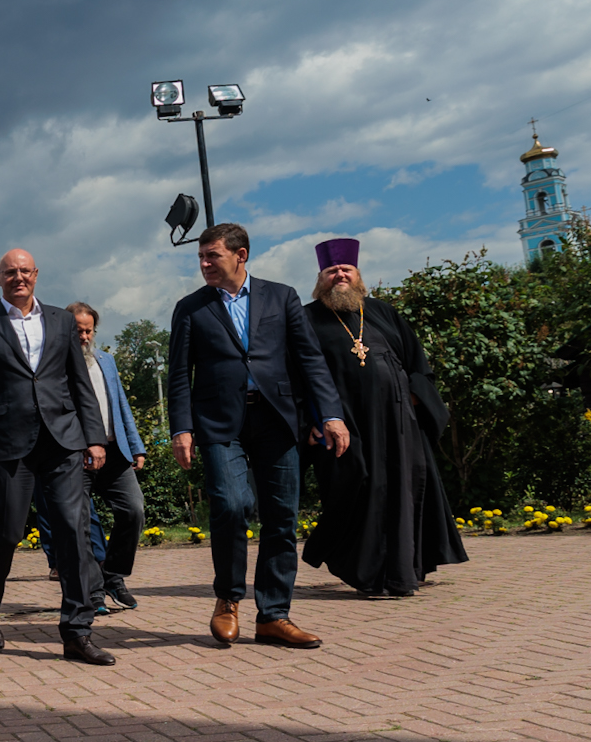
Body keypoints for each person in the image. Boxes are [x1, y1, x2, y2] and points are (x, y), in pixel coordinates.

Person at [168, 223, 349, 650]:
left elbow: (309, 359)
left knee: (282, 517)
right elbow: (179, 374)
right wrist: (181, 426)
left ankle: (273, 616)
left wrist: (331, 415)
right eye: (201, 257)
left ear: (241, 255)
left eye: (212, 255)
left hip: (276, 418)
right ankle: (228, 599)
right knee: (230, 506)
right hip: (217, 423)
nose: (205, 263)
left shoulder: (281, 296)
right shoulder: (190, 308)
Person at [0, 248, 115, 665]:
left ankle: (77, 632)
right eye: (10, 272)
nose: (18, 278)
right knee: (5, 534)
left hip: (62, 440)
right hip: (9, 446)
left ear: (37, 275)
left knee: (71, 530)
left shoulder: (62, 320)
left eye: (25, 271)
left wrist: (94, 438)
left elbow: (80, 384)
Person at [301, 238, 469, 596]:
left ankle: (404, 569)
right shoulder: (305, 318)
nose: (339, 275)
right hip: (346, 424)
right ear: (321, 278)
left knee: (405, 489)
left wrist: (414, 396)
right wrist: (311, 418)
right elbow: (295, 373)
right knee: (362, 487)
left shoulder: (381, 311)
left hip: (398, 422)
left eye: (346, 269)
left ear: (358, 275)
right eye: (332, 271)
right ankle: (369, 573)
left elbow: (417, 362)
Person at [63, 302, 147, 611]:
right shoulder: (55, 364)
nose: (84, 337)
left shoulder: (106, 361)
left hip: (114, 452)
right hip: (76, 455)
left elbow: (121, 405)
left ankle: (113, 576)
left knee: (133, 510)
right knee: (80, 524)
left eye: (88, 330)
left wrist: (136, 446)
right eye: (78, 330)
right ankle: (94, 591)